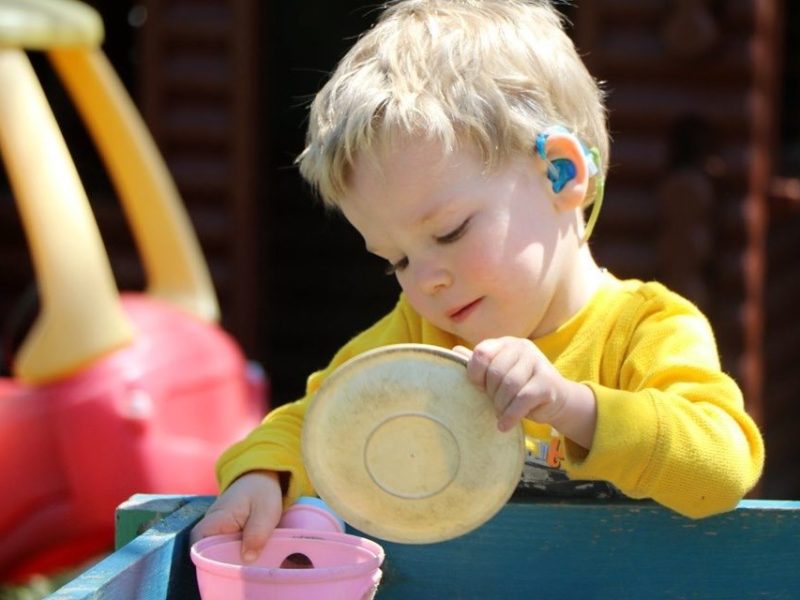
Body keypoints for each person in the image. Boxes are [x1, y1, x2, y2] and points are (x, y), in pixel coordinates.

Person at [191, 0, 764, 562]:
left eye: (449, 233)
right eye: (397, 261)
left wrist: (571, 407)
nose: (427, 282)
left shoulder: (644, 329)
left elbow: (722, 467)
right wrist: (262, 475)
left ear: (561, 172)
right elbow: (316, 420)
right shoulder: (421, 337)